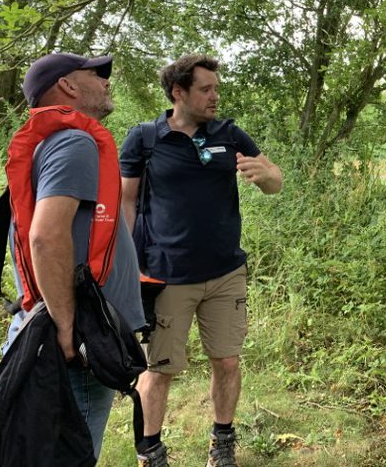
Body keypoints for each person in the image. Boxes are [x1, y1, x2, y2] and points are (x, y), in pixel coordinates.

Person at [119, 54, 282, 467]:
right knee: (160, 368)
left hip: (226, 271)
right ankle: (150, 450)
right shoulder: (145, 138)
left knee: (227, 359)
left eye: (216, 88)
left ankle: (222, 442)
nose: (215, 96)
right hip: (167, 275)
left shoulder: (228, 133)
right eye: (206, 89)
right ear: (179, 93)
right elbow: (127, 201)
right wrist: (130, 264)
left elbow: (273, 178)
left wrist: (267, 179)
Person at [3, 52, 145, 460]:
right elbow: (46, 237)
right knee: (71, 454)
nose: (105, 81)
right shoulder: (75, 141)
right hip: (76, 341)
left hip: (59, 330)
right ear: (67, 85)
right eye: (95, 74)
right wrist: (67, 329)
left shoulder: (50, 142)